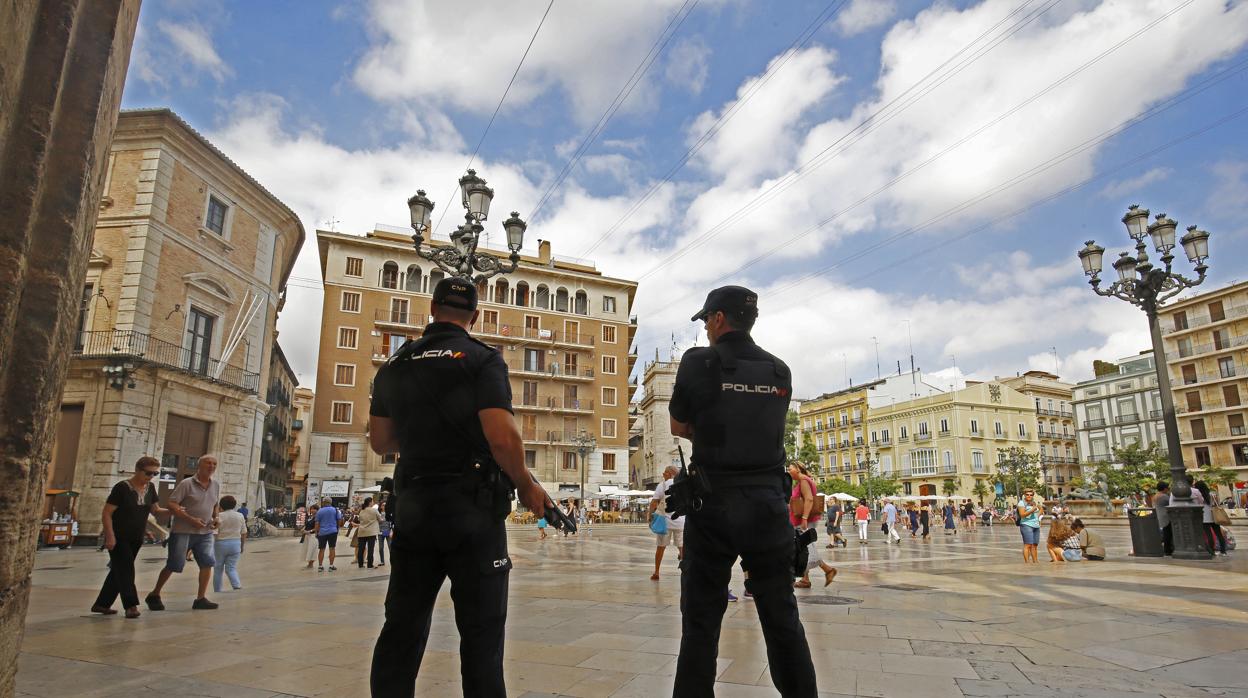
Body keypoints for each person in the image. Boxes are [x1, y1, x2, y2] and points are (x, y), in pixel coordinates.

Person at [367, 276, 551, 697]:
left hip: (414, 508)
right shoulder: (482, 359)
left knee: (402, 629)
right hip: (472, 510)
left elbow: (380, 442)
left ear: (432, 309)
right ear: (476, 315)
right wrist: (525, 484)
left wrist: (420, 435)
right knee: (482, 638)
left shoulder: (394, 365)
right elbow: (502, 437)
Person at [667, 285, 818, 696]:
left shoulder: (699, 361)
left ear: (717, 319)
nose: (707, 330)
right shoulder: (778, 370)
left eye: (706, 321)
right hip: (768, 506)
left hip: (713, 504)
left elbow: (678, 426)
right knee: (782, 617)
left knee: (700, 622)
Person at [92, 456, 168, 618]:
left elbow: (156, 510)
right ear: (137, 470)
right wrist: (110, 536)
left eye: (155, 474)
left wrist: (175, 511)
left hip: (136, 536)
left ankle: (101, 604)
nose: (151, 477)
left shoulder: (150, 488)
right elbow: (107, 513)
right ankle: (131, 605)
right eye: (148, 473)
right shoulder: (122, 488)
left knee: (119, 570)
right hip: (119, 536)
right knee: (126, 569)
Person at [145, 454, 220, 611]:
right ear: (199, 465)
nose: (211, 466)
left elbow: (215, 504)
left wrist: (216, 517)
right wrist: (191, 519)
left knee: (207, 563)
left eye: (214, 464)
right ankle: (155, 593)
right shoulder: (186, 484)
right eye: (208, 463)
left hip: (205, 532)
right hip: (182, 531)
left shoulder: (215, 485)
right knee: (174, 563)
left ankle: (200, 598)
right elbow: (172, 504)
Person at [789, 462, 837, 588]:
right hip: (803, 519)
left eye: (791, 469)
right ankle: (806, 579)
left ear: (798, 469)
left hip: (804, 520)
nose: (789, 471)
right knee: (804, 547)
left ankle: (828, 570)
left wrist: (804, 518)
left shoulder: (804, 481)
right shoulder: (803, 481)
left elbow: (809, 499)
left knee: (805, 547)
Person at [648, 466, 684, 581]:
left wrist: (650, 517)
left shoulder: (662, 485)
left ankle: (656, 572)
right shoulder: (683, 484)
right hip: (681, 521)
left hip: (665, 522)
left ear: (669, 474)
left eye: (664, 473)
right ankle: (686, 571)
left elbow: (654, 502)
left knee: (660, 548)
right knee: (682, 547)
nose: (663, 475)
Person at [213, 495, 246, 592]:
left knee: (218, 569)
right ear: (234, 505)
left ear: (221, 505)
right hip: (236, 543)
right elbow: (244, 533)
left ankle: (218, 590)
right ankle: (237, 586)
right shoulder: (240, 516)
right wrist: (242, 546)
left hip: (220, 544)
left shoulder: (219, 516)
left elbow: (214, 532)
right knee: (231, 568)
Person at [1194, 481, 1229, 555]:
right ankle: (1223, 551)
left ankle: (1211, 551)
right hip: (1214, 516)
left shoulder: (1198, 496)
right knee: (1218, 534)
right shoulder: (1212, 495)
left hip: (1204, 517)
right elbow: (1217, 504)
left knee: (1209, 535)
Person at [315, 497, 343, 571]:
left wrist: (316, 532)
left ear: (324, 502)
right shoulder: (336, 510)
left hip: (322, 532)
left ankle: (320, 566)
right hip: (333, 531)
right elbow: (339, 520)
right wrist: (337, 528)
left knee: (321, 549)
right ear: (330, 502)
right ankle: (331, 565)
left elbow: (317, 523)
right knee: (332, 548)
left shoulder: (320, 511)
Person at [355, 496, 381, 568]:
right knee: (370, 549)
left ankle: (360, 564)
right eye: (372, 501)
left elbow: (360, 520)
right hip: (371, 532)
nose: (373, 503)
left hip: (362, 531)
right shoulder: (374, 510)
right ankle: (370, 564)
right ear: (370, 502)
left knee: (361, 549)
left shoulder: (362, 510)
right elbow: (380, 519)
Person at [1017, 490, 1042, 563]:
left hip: (1036, 526)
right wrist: (1032, 510)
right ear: (1024, 495)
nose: (1029, 496)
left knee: (1034, 545)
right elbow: (1022, 514)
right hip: (1026, 525)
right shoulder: (1021, 503)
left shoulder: (1034, 502)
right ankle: (1027, 562)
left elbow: (1041, 509)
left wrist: (1037, 516)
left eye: (1031, 495)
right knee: (1028, 544)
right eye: (1027, 494)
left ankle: (1035, 561)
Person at [1152, 482, 1173, 555]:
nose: (1168, 489)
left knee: (1165, 533)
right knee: (1168, 534)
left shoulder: (1155, 496)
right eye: (1167, 488)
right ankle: (1168, 550)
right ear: (1164, 488)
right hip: (1166, 517)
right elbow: (1172, 503)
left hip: (1160, 517)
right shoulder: (1164, 496)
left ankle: (1166, 549)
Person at [302, 503, 320, 569]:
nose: (312, 510)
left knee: (312, 550)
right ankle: (309, 563)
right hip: (308, 536)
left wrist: (309, 531)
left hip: (313, 536)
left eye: (314, 509)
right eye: (311, 509)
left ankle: (311, 564)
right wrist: (304, 529)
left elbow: (317, 528)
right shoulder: (311, 517)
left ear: (317, 510)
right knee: (308, 549)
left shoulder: (317, 517)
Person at [377, 500, 391, 567]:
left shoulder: (390, 513)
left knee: (390, 546)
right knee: (380, 548)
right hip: (380, 532)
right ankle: (382, 561)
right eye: (383, 505)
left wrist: (392, 531)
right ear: (380, 506)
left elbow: (392, 522)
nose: (384, 506)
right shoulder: (378, 513)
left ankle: (392, 560)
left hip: (388, 532)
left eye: (385, 505)